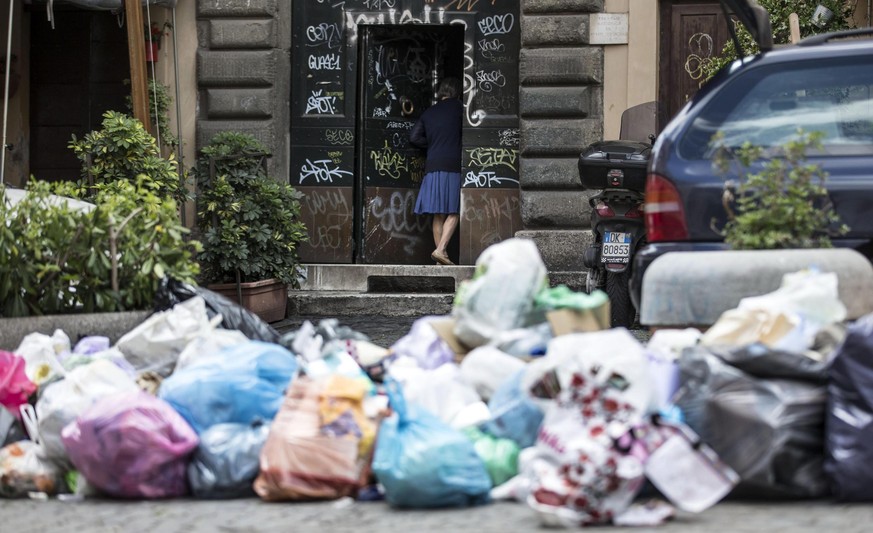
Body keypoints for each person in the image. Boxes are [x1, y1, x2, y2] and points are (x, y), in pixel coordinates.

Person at [409, 76, 463, 266]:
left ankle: (441, 260)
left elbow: (414, 137)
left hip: (432, 166)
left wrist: (431, 144)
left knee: (438, 213)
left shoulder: (429, 113)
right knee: (454, 210)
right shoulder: (459, 109)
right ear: (457, 91)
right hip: (453, 165)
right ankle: (440, 250)